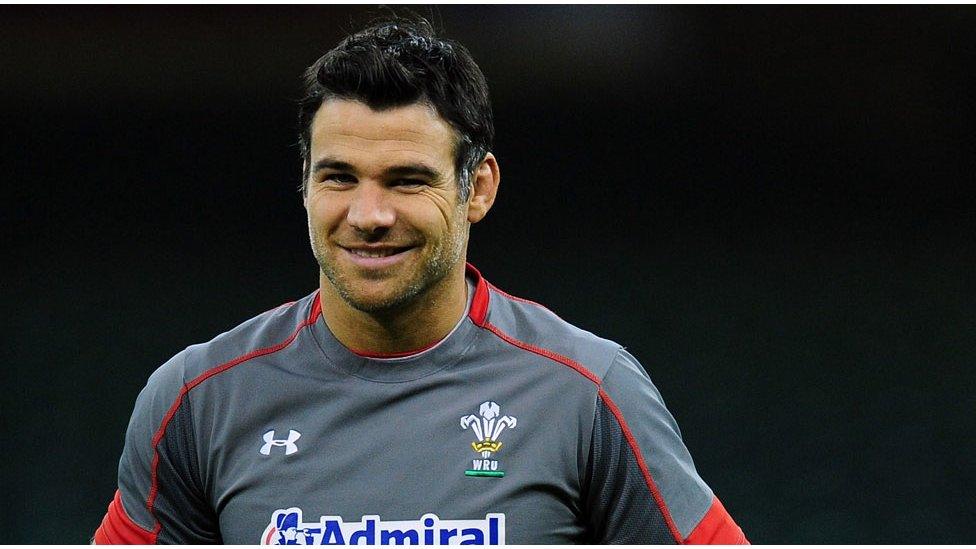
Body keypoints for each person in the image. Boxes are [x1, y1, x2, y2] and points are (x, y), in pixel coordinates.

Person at [93, 17, 748, 545]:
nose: (369, 215)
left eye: (407, 180)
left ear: (478, 188)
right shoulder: (197, 401)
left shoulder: (587, 394)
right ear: (304, 183)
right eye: (338, 177)